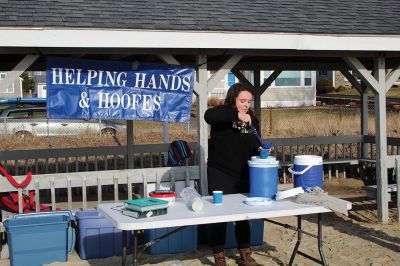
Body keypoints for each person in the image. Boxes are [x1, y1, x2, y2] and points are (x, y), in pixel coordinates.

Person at [204, 83, 262, 266]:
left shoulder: (253, 120)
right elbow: (208, 115)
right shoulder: (222, 113)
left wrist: (262, 150)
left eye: (249, 101)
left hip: (243, 174)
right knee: (219, 215)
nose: (246, 105)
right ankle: (219, 256)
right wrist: (236, 115)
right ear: (233, 99)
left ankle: (245, 253)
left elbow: (255, 143)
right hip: (220, 171)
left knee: (243, 216)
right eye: (242, 101)